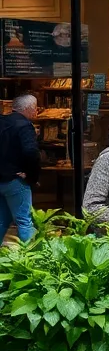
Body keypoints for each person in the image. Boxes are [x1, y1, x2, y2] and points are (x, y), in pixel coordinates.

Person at [0, 94, 40, 241]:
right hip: (15, 180)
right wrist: (31, 176)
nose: (36, 112)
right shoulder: (24, 125)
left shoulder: (3, 121)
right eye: (35, 108)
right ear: (29, 109)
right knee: (24, 221)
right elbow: (31, 152)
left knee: (2, 220)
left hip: (2, 179)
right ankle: (31, 260)